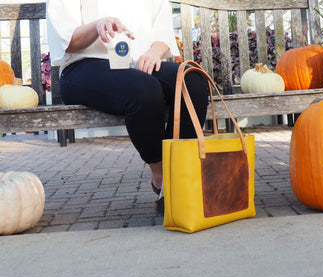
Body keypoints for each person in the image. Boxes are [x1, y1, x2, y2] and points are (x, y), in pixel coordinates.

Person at [46, 0, 209, 214]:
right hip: (84, 67)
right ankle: (162, 177)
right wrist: (98, 25)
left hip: (138, 64)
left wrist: (153, 52)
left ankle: (181, 175)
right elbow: (69, 39)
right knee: (144, 88)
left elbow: (163, 35)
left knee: (192, 80)